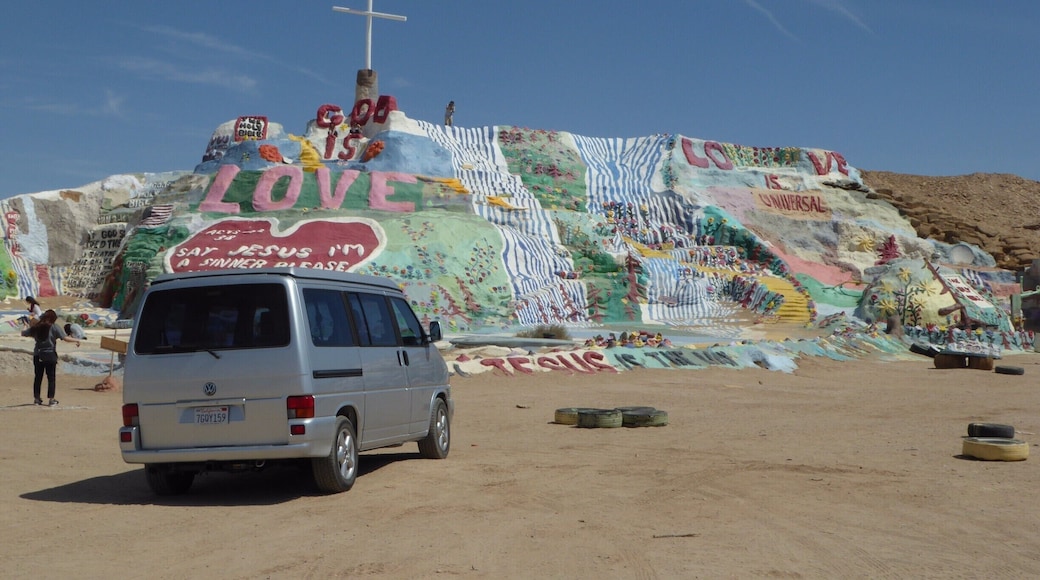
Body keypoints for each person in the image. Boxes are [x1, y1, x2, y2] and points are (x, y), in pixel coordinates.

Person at [21, 309, 80, 406]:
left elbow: (23, 333)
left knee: (38, 377)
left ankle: (37, 399)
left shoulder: (36, 327)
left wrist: (25, 325)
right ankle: (51, 399)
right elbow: (65, 338)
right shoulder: (54, 327)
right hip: (50, 354)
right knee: (51, 378)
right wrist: (76, 340)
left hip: (38, 354)